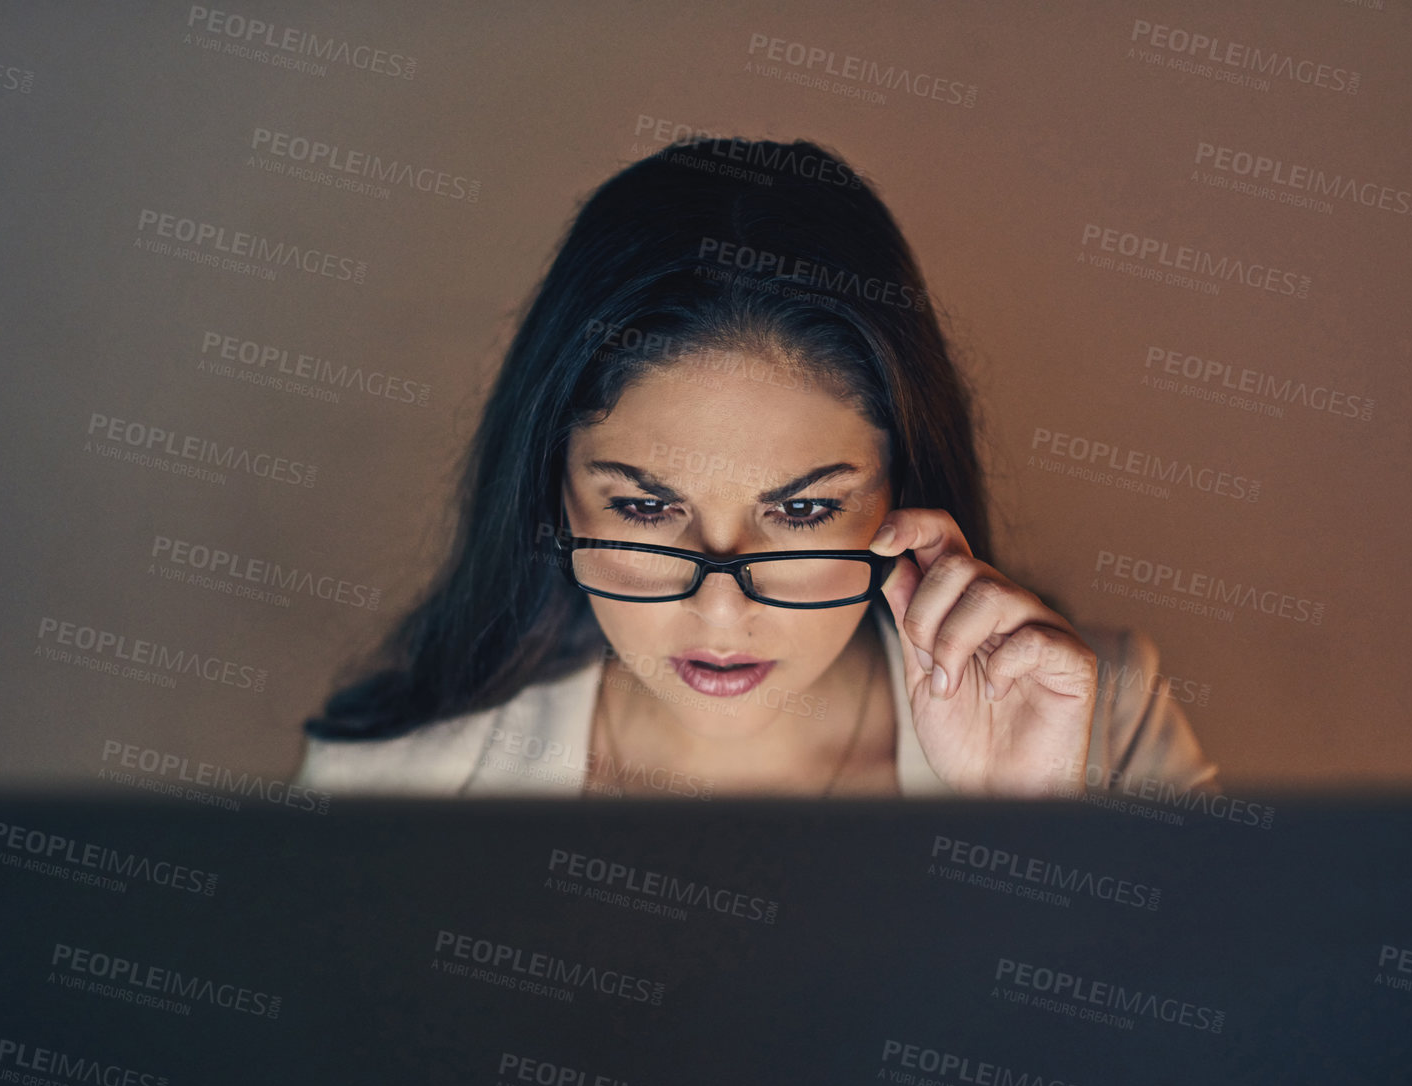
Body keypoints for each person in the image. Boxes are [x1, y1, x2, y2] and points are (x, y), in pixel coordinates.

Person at [294, 138, 1218, 800]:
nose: (723, 613)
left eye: (806, 510)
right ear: (553, 492)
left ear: (906, 494)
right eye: (647, 509)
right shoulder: (388, 783)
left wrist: (1029, 839)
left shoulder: (1101, 726)